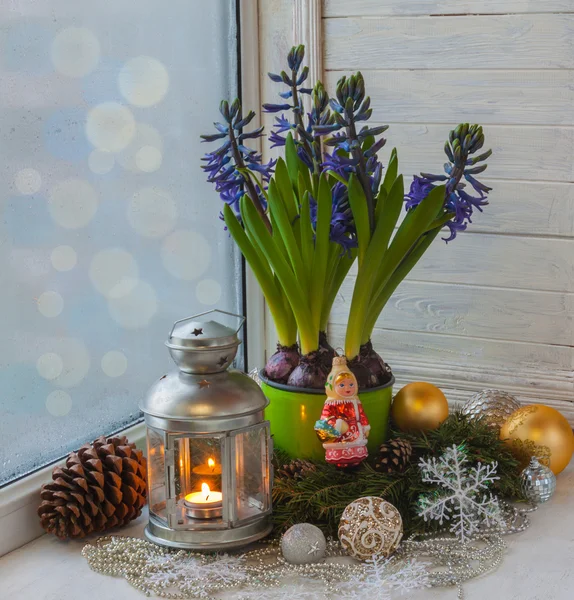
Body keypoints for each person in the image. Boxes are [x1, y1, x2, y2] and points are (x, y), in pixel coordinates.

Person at [314, 356, 370, 467]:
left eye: (351, 384)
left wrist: (366, 426)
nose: (347, 388)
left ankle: (355, 461)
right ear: (332, 387)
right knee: (340, 450)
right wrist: (337, 425)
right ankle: (340, 463)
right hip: (338, 434)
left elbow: (361, 415)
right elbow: (325, 419)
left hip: (355, 432)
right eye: (342, 385)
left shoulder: (355, 401)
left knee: (356, 451)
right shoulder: (331, 404)